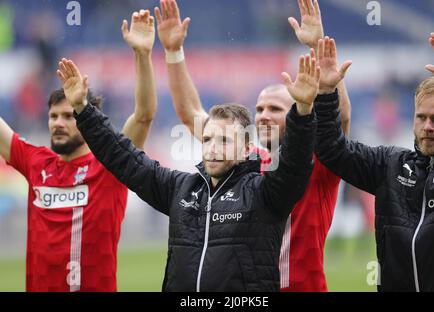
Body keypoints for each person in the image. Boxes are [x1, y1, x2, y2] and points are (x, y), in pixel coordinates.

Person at [57, 45, 320, 291]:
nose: (213, 148)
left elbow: (294, 166)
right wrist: (83, 109)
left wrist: (304, 111)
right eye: (207, 140)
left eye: (225, 140)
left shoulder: (264, 194)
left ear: (245, 149)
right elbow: (124, 158)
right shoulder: (181, 189)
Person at [154, 0, 351, 291]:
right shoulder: (244, 158)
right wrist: (173, 52)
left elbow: (340, 118)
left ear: (298, 112)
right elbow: (191, 114)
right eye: (259, 109)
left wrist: (319, 46)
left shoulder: (317, 161)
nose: (263, 116)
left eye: (274, 108)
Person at [0, 10, 157, 292]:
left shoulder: (111, 165)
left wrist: (142, 55)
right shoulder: (36, 162)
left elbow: (144, 116)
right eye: (53, 116)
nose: (58, 123)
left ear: (87, 121)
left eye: (69, 116)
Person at [315, 32, 434, 291]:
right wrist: (325, 92)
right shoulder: (391, 165)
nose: (428, 126)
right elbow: (332, 149)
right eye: (421, 117)